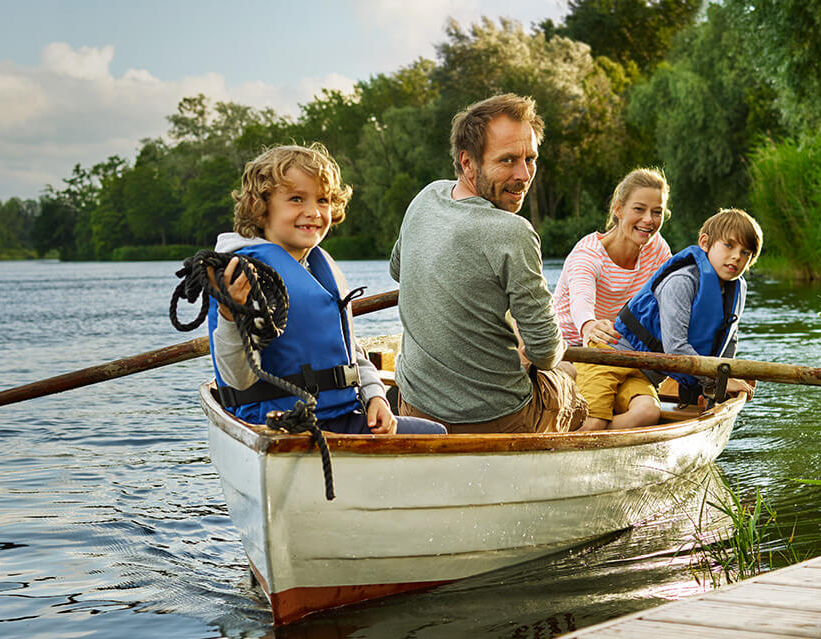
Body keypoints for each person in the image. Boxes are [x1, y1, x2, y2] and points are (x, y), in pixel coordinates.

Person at [209, 144, 444, 435]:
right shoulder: (246, 277)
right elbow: (238, 380)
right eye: (296, 199)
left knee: (435, 433)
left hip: (340, 416)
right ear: (261, 207)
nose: (313, 212)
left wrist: (376, 397)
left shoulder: (317, 268)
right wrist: (230, 315)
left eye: (322, 200)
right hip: (280, 425)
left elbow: (350, 351)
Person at [388, 93, 586, 434]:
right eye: (507, 160)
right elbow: (546, 352)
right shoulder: (513, 232)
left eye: (530, 159)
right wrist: (540, 352)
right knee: (567, 377)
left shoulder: (427, 197)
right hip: (498, 418)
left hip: (415, 405)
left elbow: (397, 270)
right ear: (468, 163)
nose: (524, 175)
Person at [576, 208, 761, 430]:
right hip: (610, 358)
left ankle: (596, 439)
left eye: (746, 253)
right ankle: (579, 431)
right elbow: (676, 350)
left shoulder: (734, 290)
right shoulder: (682, 281)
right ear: (705, 242)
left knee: (647, 414)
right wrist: (717, 380)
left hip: (644, 375)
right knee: (593, 424)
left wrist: (718, 383)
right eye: (729, 245)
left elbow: (727, 341)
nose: (736, 257)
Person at [554, 168, 674, 348]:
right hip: (568, 346)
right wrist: (588, 325)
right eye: (639, 209)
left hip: (617, 345)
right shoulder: (588, 255)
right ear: (618, 209)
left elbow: (673, 291)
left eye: (657, 212)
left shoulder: (657, 247)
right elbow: (581, 301)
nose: (649, 219)